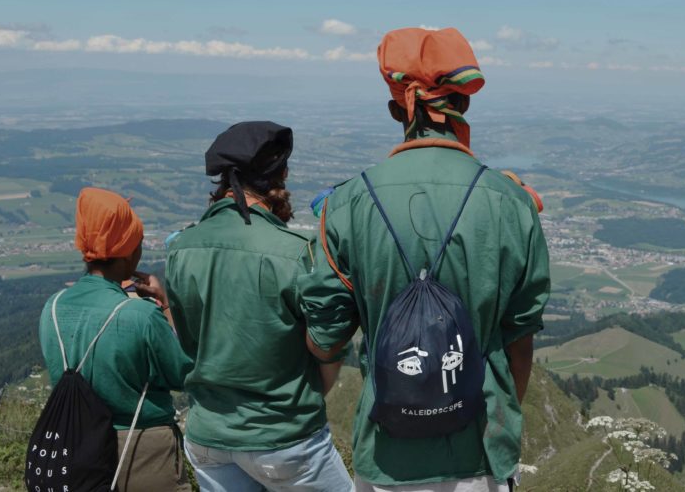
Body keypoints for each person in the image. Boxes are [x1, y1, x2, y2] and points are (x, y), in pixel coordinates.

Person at [301, 27, 551, 491]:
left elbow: (325, 337)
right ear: (466, 104)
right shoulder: (511, 203)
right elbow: (520, 342)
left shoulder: (348, 203)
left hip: (387, 458)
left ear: (397, 108)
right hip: (479, 452)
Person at [165, 121, 353, 492]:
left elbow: (186, 340)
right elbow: (328, 345)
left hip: (208, 438)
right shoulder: (296, 252)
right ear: (279, 175)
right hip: (284, 438)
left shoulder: (180, 249)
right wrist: (312, 394)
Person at [38, 187, 193, 491]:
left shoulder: (52, 308)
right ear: (129, 253)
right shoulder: (140, 315)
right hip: (142, 448)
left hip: (74, 445)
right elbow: (185, 372)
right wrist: (164, 303)